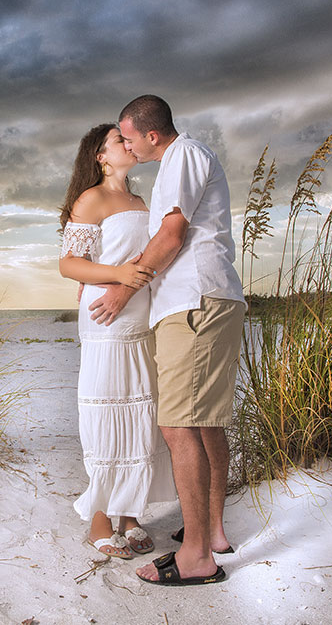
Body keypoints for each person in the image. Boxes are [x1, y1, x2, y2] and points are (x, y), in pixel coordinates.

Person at [89, 95, 246, 586]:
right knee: (204, 424)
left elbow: (173, 235)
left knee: (179, 427)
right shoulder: (185, 160)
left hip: (193, 303)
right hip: (207, 299)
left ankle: (197, 557)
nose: (127, 146)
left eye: (128, 137)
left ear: (150, 135)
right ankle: (212, 531)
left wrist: (120, 290)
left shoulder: (181, 157)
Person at [58, 123, 177, 560]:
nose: (127, 144)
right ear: (100, 157)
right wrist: (119, 275)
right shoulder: (91, 199)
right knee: (108, 410)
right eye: (117, 141)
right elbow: (70, 265)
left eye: (127, 139)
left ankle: (131, 515)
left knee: (142, 411)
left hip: (139, 319)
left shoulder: (141, 202)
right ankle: (100, 521)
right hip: (106, 317)